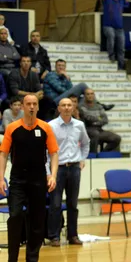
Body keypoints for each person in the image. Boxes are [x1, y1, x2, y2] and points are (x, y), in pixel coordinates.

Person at [0, 94, 58, 262]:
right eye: (28, 104)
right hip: (18, 178)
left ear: (38, 107)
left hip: (39, 179)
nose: (31, 107)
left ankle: (32, 258)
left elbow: (54, 154)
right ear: (23, 107)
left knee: (37, 220)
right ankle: (12, 258)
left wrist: (53, 176)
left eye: (34, 104)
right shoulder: (12, 128)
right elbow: (3, 154)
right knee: (15, 215)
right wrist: (0, 178)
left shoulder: (46, 128)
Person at [47, 97, 89, 246]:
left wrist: (82, 158)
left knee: (73, 204)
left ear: (73, 108)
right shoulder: (50, 126)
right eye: (63, 105)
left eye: (69, 105)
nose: (66, 108)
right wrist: (49, 172)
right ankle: (54, 236)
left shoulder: (79, 125)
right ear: (58, 108)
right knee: (55, 204)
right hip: (57, 170)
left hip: (74, 168)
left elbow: (86, 143)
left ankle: (73, 236)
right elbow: (46, 151)